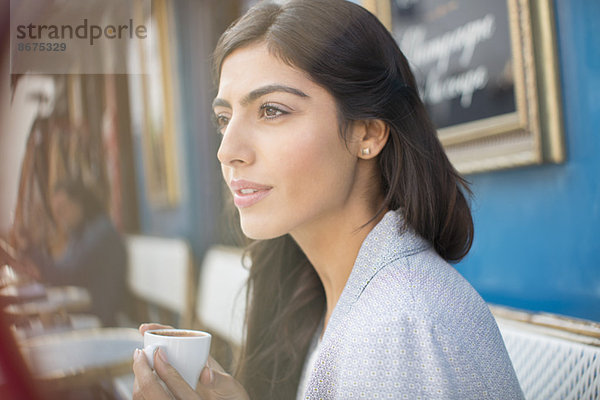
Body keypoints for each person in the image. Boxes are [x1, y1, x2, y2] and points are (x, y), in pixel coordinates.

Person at [132, 0, 524, 399]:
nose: (227, 149)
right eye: (224, 118)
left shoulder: (397, 330)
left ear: (368, 134)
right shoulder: (323, 296)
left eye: (271, 110)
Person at [24, 179, 127, 326]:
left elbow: (66, 275)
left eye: (62, 209)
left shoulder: (100, 233)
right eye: (56, 212)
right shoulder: (81, 232)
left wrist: (29, 250)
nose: (59, 217)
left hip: (103, 321)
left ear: (79, 203)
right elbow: (63, 268)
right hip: (90, 313)